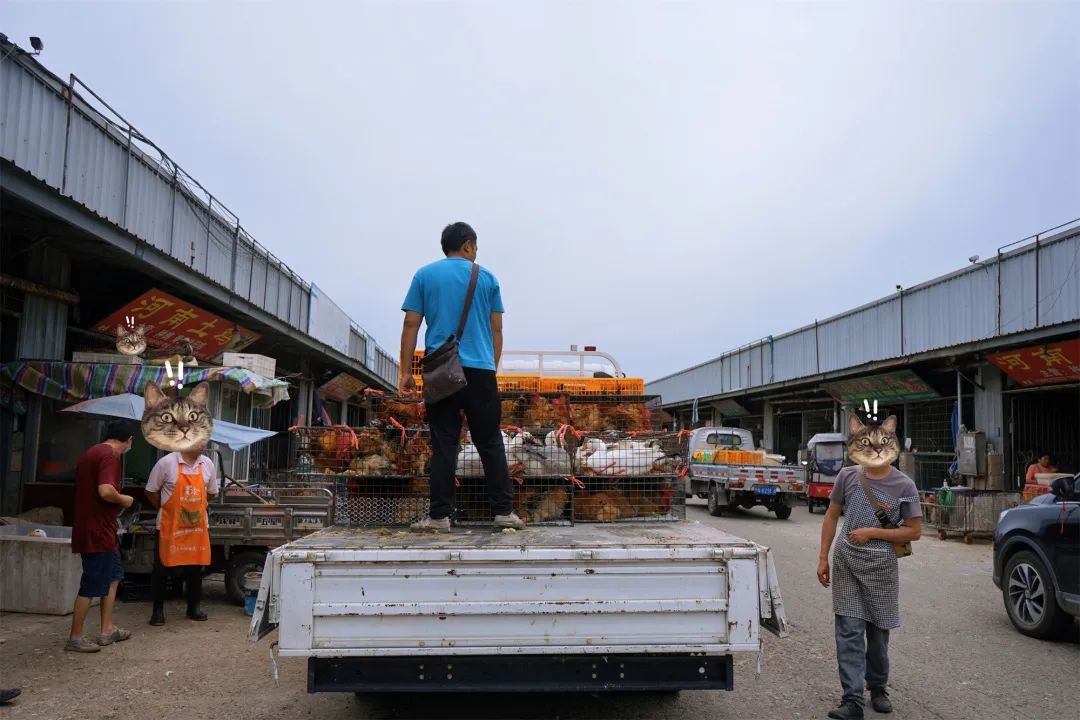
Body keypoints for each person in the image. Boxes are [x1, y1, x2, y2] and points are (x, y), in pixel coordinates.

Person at [400, 221, 524, 532]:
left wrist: (405, 371)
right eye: (475, 247)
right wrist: (490, 366)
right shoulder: (488, 278)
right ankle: (503, 513)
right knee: (490, 441)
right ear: (468, 245)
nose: (476, 252)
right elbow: (497, 329)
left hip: (440, 369)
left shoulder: (424, 275)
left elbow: (411, 324)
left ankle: (439, 517)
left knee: (444, 443)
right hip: (480, 370)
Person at [817, 414, 922, 720]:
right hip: (847, 562)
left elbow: (914, 531)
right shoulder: (847, 476)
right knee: (848, 630)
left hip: (882, 567)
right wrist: (823, 556)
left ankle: (877, 687)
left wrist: (873, 533)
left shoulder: (904, 485)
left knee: (878, 634)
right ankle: (852, 700)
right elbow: (831, 515)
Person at [66, 420, 136, 653]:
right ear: (129, 440)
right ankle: (75, 638)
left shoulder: (92, 452)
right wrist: (124, 499)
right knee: (91, 583)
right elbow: (105, 490)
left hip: (100, 527)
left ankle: (107, 629)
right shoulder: (110, 455)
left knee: (113, 575)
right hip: (97, 530)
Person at [145, 445, 218, 625]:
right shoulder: (166, 463)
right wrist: (165, 508)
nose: (203, 445)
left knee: (195, 568)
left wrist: (195, 505)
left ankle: (193, 607)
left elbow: (211, 493)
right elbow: (150, 491)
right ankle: (157, 611)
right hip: (169, 526)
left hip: (196, 527)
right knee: (161, 568)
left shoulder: (207, 464)